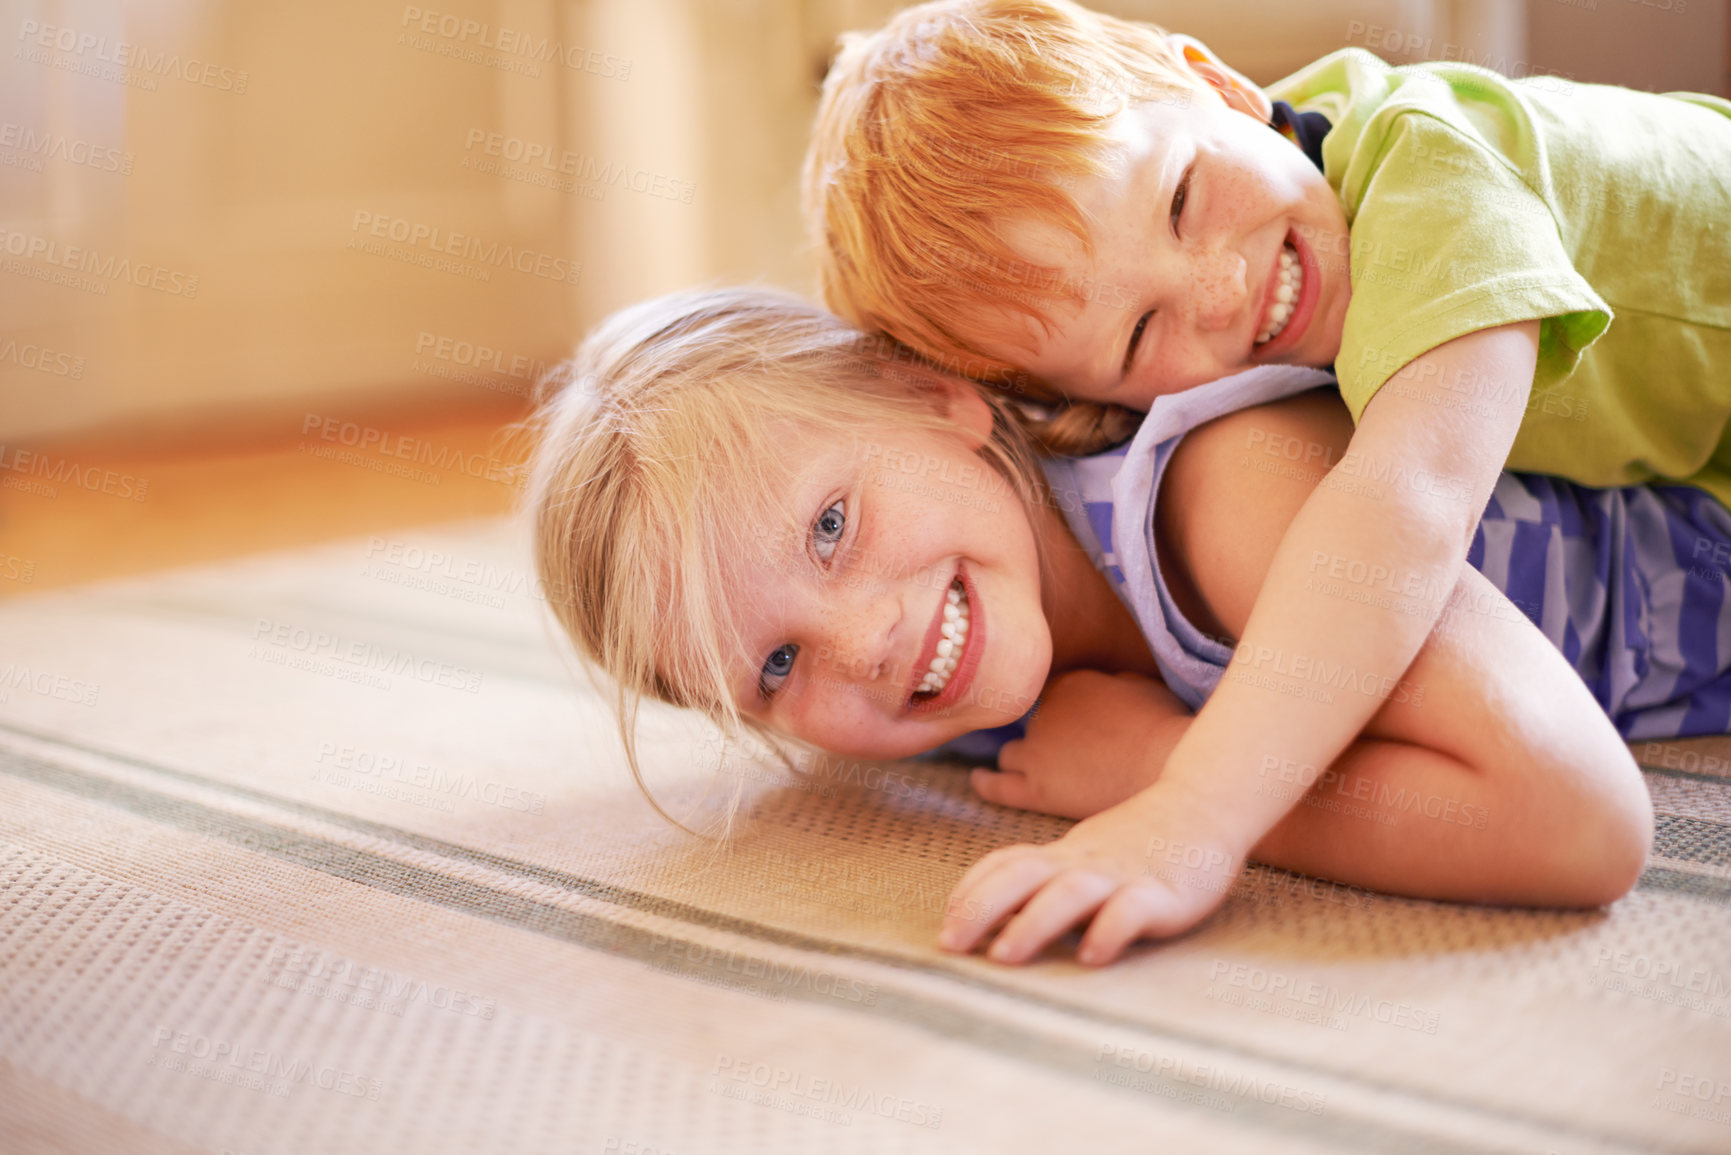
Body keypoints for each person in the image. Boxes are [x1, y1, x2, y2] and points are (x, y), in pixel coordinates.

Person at [801, 0, 1731, 955]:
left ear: (1215, 82)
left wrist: (1185, 809)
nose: (1219, 288)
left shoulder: (1436, 167)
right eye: (1136, 333)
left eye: (1177, 200)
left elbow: (1404, 508)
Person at [526, 286, 1667, 967]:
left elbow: (1577, 823)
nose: (862, 641)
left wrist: (1163, 782)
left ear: (935, 396)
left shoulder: (1218, 499)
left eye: (830, 525)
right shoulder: (946, 682)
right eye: (775, 665)